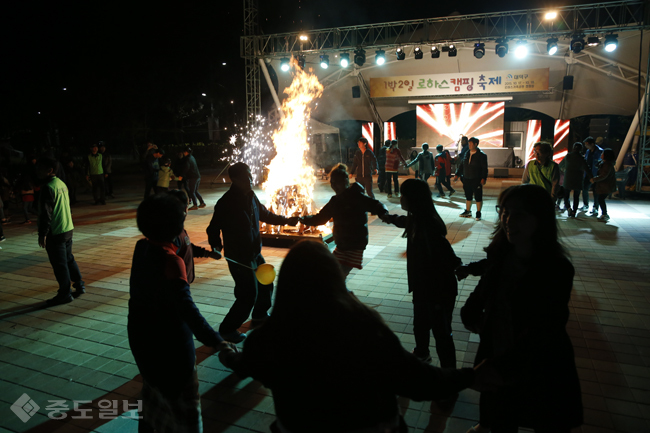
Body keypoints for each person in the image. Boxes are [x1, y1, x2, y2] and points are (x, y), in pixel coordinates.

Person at [219, 240, 478, 433]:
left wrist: (229, 354)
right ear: (334, 279)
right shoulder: (366, 328)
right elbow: (418, 380)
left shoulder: (268, 339)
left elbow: (246, 366)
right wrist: (472, 376)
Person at [460, 184, 583, 433]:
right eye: (504, 212)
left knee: (542, 418)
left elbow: (545, 329)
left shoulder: (556, 270)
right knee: (500, 420)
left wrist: (501, 367)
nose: (507, 220)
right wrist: (470, 311)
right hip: (497, 353)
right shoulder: (501, 255)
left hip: (537, 365)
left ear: (540, 219)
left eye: (519, 214)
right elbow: (483, 290)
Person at [128, 194, 235, 433]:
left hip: (143, 341)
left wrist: (206, 253)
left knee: (152, 401)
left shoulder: (142, 247)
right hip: (171, 350)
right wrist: (218, 342)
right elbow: (186, 309)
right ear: (177, 226)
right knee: (181, 410)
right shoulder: (171, 262)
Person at [206, 162, 299, 343]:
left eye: (250, 174)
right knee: (247, 294)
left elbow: (265, 214)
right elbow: (213, 228)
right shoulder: (225, 202)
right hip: (239, 257)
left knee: (266, 282)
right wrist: (216, 247)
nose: (250, 178)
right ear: (236, 179)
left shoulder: (251, 196)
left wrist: (287, 221)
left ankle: (260, 314)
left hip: (255, 253)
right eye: (246, 176)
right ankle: (227, 329)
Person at [381, 179, 461, 367]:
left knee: (441, 333)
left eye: (403, 195)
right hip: (423, 286)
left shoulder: (427, 225)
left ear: (412, 198)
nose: (401, 199)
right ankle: (422, 352)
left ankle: (449, 377)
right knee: (420, 324)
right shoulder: (419, 218)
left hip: (437, 289)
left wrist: (460, 267)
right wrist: (388, 218)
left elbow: (446, 254)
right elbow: (404, 221)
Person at [300, 163, 388, 278]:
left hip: (353, 247)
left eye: (337, 182)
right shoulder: (336, 200)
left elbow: (376, 205)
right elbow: (320, 218)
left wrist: (384, 214)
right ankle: (341, 293)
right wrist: (302, 219)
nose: (334, 186)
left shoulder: (356, 197)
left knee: (335, 277)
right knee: (336, 277)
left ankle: (342, 295)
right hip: (343, 246)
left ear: (345, 181)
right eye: (332, 183)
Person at [36, 157, 85, 306]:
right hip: (67, 227)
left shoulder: (48, 187)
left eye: (40, 168)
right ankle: (79, 284)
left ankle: (65, 293)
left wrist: (42, 233)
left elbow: (46, 213)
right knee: (68, 258)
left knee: (60, 264)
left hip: (56, 230)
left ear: (49, 170)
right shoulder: (61, 183)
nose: (37, 171)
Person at [168, 189, 221, 282]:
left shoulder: (177, 229)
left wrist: (208, 254)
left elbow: (187, 248)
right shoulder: (171, 234)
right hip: (176, 286)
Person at [454, 137, 488, 221]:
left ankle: (478, 212)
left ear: (476, 144)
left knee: (478, 196)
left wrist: (483, 178)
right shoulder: (467, 153)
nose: (469, 145)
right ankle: (468, 211)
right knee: (468, 195)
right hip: (467, 178)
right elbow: (462, 165)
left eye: (470, 144)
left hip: (476, 179)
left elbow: (484, 168)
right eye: (469, 143)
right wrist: (457, 174)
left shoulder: (481, 155)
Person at [562, 143, 589, 218]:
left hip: (568, 178)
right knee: (576, 196)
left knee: (566, 195)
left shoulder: (568, 156)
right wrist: (592, 177)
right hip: (578, 179)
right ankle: (574, 211)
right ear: (581, 149)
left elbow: (560, 165)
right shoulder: (581, 158)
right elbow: (587, 168)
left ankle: (568, 208)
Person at [590, 148, 617, 222]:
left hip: (606, 185)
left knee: (601, 199)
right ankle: (604, 214)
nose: (601, 155)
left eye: (603, 154)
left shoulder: (607, 164)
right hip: (605, 185)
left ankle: (604, 214)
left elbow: (604, 175)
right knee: (600, 199)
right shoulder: (605, 163)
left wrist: (594, 179)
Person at [581, 136, 603, 214]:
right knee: (584, 189)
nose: (586, 146)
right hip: (588, 174)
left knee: (596, 191)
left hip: (596, 174)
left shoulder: (600, 151)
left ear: (592, 144)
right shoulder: (587, 151)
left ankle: (595, 207)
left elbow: (601, 162)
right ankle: (585, 205)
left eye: (587, 144)